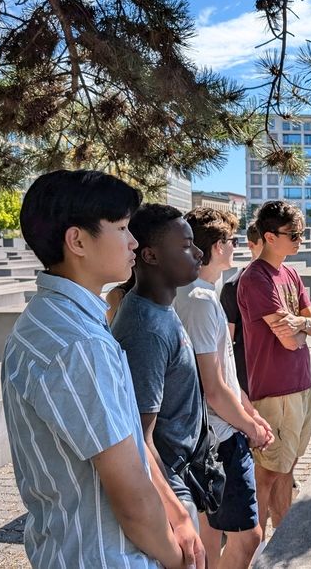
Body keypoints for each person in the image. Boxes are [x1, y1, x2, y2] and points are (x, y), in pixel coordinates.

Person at [1, 170, 203, 569]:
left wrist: (178, 514)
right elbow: (131, 499)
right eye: (124, 228)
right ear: (77, 240)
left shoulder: (47, 319)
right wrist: (176, 560)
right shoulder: (79, 344)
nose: (133, 242)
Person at [176, 207, 273, 569]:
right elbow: (213, 387)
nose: (236, 247)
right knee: (248, 537)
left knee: (209, 535)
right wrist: (250, 427)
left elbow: (224, 376)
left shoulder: (194, 296)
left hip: (214, 433)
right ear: (217, 248)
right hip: (221, 439)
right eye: (231, 241)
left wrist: (249, 411)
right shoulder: (200, 302)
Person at [110, 204, 206, 535]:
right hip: (168, 482)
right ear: (150, 256)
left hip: (181, 471)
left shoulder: (160, 309)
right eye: (185, 245)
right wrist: (177, 510)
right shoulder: (145, 329)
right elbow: (139, 436)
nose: (198, 252)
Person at [237, 200, 311, 536]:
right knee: (267, 473)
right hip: (275, 390)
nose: (300, 239)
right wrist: (303, 329)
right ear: (270, 237)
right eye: (294, 234)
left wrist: (300, 324)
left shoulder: (291, 273)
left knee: (288, 468)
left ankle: (281, 543)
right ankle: (251, 544)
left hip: (301, 384)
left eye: (302, 233)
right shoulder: (255, 278)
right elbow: (289, 341)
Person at [220, 223, 264, 394]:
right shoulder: (233, 286)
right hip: (248, 375)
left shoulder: (284, 280)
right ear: (252, 245)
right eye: (265, 245)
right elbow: (227, 342)